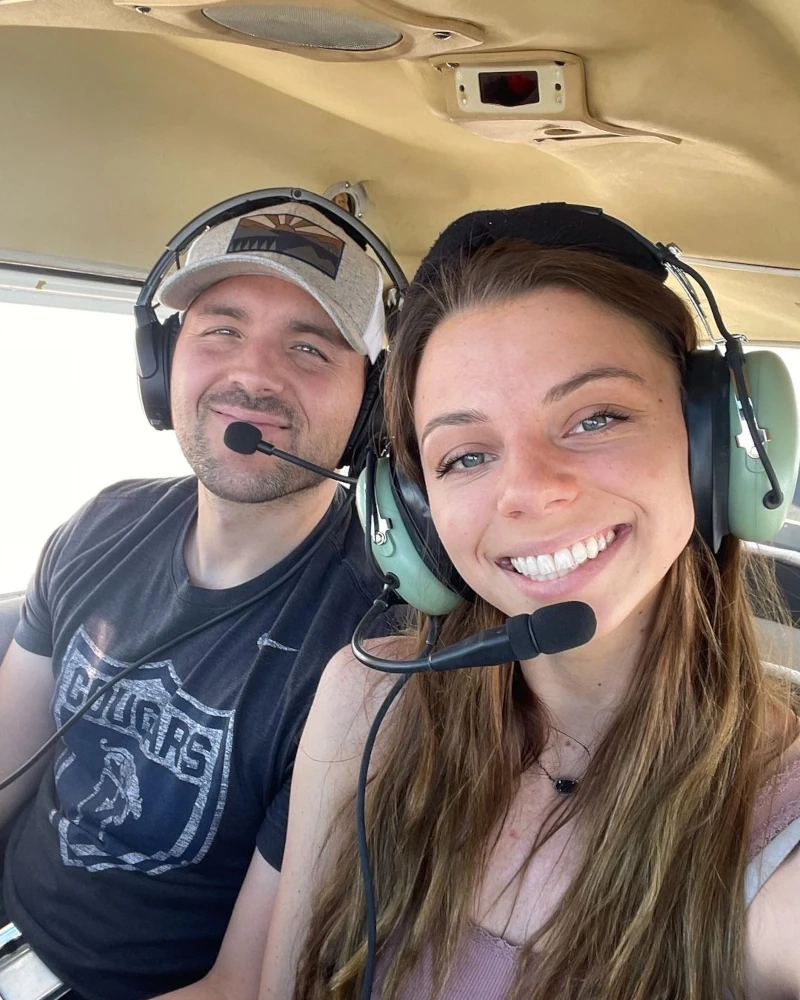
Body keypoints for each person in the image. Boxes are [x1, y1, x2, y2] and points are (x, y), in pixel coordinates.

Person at [261, 205, 800, 1000]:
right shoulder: (369, 702)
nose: (530, 490)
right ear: (415, 518)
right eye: (466, 455)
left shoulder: (779, 838)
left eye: (596, 418)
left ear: (713, 442)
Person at [0, 195, 394, 999]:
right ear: (163, 362)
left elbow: (244, 985)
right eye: (221, 329)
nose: (254, 375)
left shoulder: (372, 642)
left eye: (310, 346)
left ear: (373, 402)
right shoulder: (103, 521)